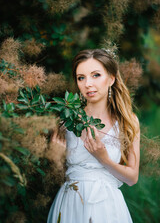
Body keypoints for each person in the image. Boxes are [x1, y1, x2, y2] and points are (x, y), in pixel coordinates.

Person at [47, 49, 140, 223]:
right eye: (81, 77)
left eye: (95, 75)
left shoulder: (128, 121)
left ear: (111, 78)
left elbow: (132, 178)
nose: (88, 84)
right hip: (71, 202)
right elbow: (57, 176)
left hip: (108, 207)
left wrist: (104, 159)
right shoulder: (65, 119)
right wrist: (56, 157)